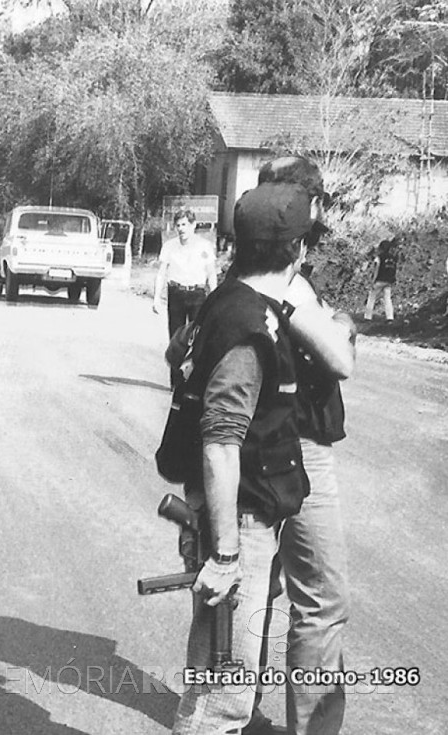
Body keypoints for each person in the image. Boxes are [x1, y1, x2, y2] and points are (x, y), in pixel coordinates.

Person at [164, 182, 313, 735]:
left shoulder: (222, 303)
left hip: (237, 512)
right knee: (219, 698)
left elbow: (175, 353)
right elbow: (222, 438)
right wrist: (226, 554)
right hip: (239, 522)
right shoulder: (251, 325)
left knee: (225, 686)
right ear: (299, 251)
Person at [241, 155, 355, 735]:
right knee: (320, 602)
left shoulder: (242, 276)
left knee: (254, 593)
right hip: (299, 448)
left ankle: (232, 716)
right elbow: (341, 357)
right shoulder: (290, 284)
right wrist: (336, 325)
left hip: (256, 447)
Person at [154, 210, 218, 385]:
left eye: (184, 225)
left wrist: (215, 297)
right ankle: (176, 382)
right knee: (176, 338)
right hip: (176, 294)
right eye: (178, 225)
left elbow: (211, 273)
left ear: (193, 225)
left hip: (197, 295)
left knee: (198, 338)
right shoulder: (169, 246)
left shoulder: (204, 246)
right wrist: (156, 299)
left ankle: (193, 382)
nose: (181, 229)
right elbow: (161, 273)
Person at [364, 237, 398, 321]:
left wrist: (373, 281)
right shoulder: (393, 258)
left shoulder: (379, 257)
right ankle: (390, 318)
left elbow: (376, 269)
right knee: (387, 299)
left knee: (371, 297)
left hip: (379, 280)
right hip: (389, 281)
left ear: (381, 248)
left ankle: (367, 317)